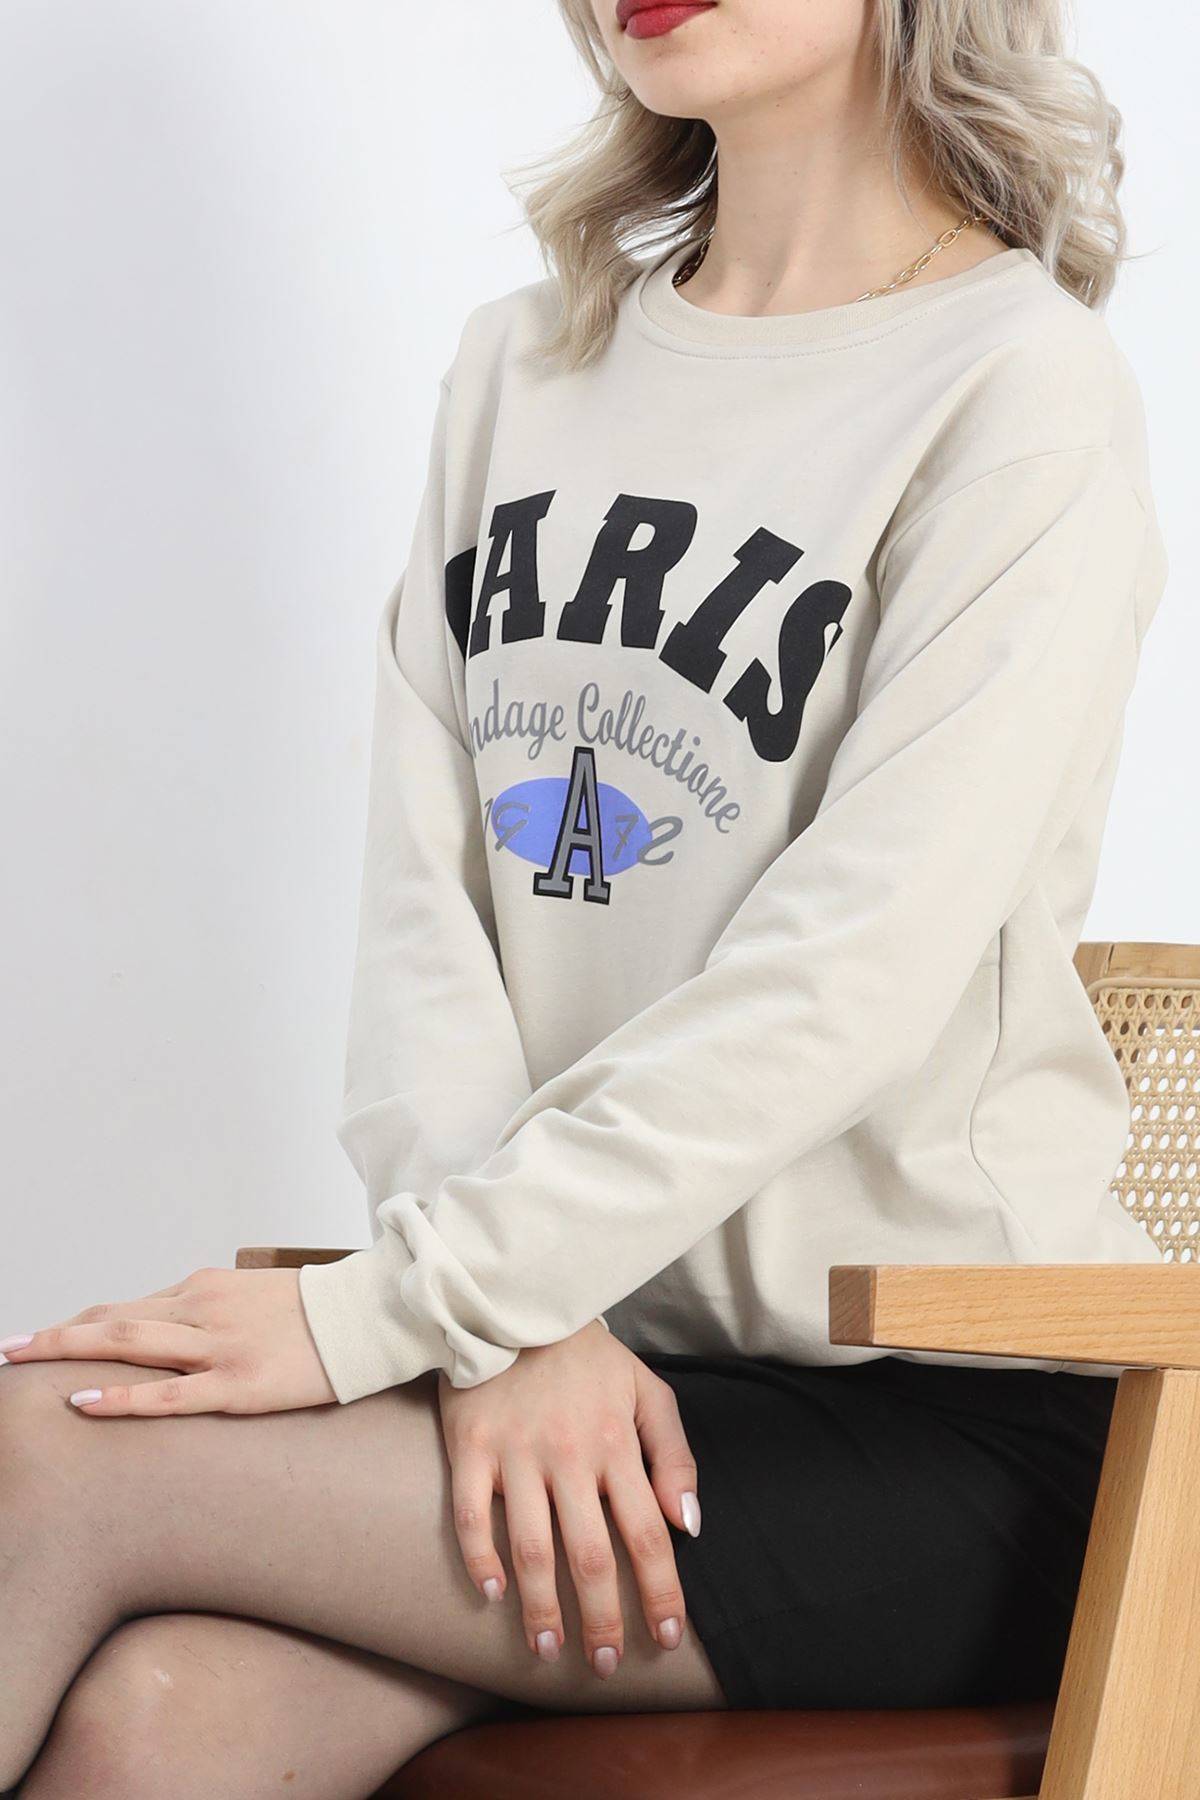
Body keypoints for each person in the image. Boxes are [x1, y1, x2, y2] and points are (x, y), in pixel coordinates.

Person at [0, 0, 1169, 1793]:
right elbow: (427, 919)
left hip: (949, 1424)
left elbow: (843, 982)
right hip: (574, 1357)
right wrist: (512, 1318)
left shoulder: (1021, 392)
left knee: (50, 1449)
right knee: (165, 1721)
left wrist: (408, 1306)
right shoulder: (524, 366)